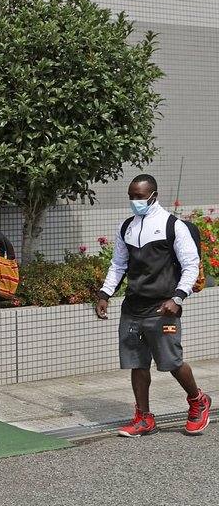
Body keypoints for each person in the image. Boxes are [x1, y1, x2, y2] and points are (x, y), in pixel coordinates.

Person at [96, 174, 211, 436]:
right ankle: (144, 417)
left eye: (139, 196)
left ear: (153, 195)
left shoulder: (172, 225)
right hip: (133, 306)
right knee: (137, 363)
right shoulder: (127, 226)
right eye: (131, 196)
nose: (135, 201)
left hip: (163, 306)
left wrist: (178, 297)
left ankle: (197, 401)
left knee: (171, 361)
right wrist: (104, 294)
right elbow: (118, 265)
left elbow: (191, 265)